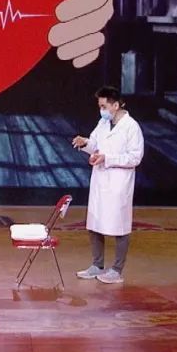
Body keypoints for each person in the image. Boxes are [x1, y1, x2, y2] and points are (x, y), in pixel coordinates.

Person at [70, 86, 144, 284]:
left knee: (119, 224)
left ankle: (117, 270)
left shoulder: (131, 127)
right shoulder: (103, 123)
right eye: (100, 106)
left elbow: (135, 157)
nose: (101, 110)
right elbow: (95, 144)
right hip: (100, 180)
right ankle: (97, 265)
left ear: (116, 105)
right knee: (94, 222)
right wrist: (84, 143)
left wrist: (107, 158)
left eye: (103, 106)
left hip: (119, 182)